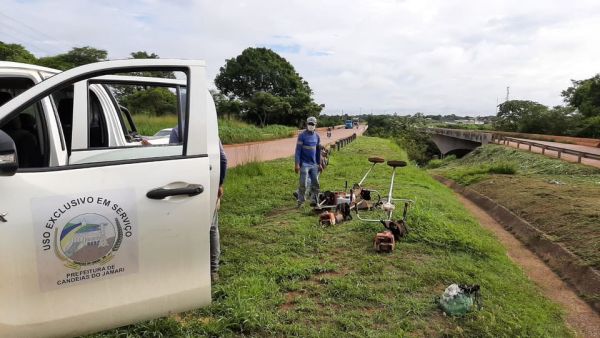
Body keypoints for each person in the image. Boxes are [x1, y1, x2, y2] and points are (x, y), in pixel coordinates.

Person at [169, 126, 227, 282]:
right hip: (208, 183)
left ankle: (189, 267)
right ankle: (213, 271)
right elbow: (222, 158)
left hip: (183, 185)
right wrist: (219, 184)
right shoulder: (210, 131)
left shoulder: (177, 131)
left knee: (185, 225)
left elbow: (172, 160)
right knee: (212, 227)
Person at [294, 116, 322, 207]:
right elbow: (298, 151)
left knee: (315, 184)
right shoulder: (302, 136)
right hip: (304, 164)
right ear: (307, 124)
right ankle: (300, 201)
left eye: (312, 124)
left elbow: (318, 151)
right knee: (303, 184)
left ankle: (315, 200)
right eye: (309, 124)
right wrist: (297, 164)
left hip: (314, 164)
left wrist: (319, 164)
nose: (311, 125)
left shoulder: (317, 136)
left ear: (315, 125)